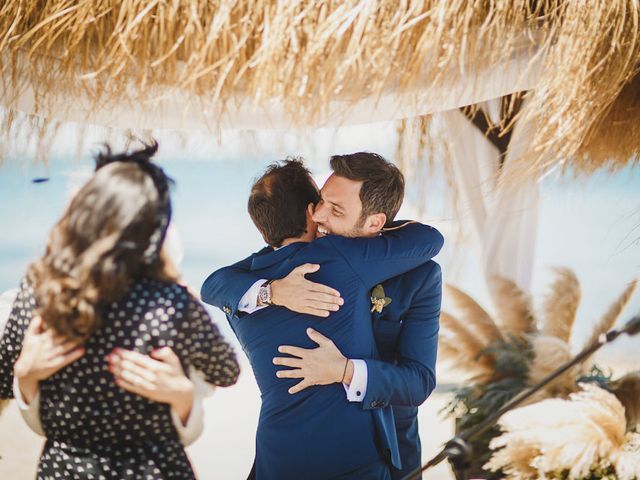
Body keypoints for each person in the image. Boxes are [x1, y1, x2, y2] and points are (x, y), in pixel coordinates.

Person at [0, 143, 240, 479]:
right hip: (156, 469)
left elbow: (2, 375)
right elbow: (227, 371)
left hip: (66, 469)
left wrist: (25, 376)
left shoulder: (42, 290)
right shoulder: (171, 302)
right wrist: (184, 391)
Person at [203, 152, 443, 479]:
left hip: (382, 452)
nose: (318, 217)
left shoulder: (420, 276)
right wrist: (272, 291)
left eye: (336, 209)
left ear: (375, 222)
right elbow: (216, 283)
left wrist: (346, 371)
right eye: (320, 202)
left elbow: (418, 383)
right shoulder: (275, 271)